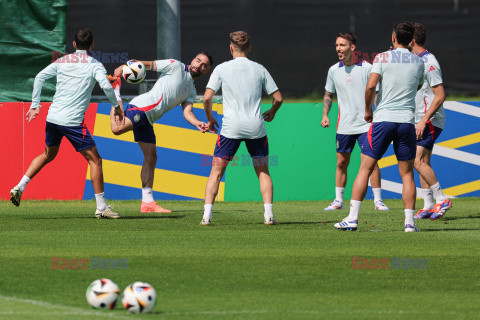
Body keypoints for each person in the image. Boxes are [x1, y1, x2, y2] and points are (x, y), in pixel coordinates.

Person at [10, 28, 123, 219]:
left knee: (48, 154)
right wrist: (116, 106)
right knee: (95, 160)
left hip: (53, 118)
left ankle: (19, 186)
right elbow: (105, 86)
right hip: (72, 122)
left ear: (74, 45)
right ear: (92, 45)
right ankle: (102, 208)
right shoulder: (95, 64)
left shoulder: (62, 61)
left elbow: (39, 77)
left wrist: (35, 105)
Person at [334, 22, 425, 232]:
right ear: (411, 40)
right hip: (406, 122)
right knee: (408, 174)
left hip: (383, 120)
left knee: (365, 168)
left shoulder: (382, 57)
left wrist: (368, 110)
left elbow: (371, 85)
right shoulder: (418, 62)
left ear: (394, 38)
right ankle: (409, 223)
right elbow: (419, 85)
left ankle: (352, 218)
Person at [111, 53, 213, 213]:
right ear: (193, 59)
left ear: (206, 71)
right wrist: (122, 67)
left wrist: (198, 123)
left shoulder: (191, 90)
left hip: (149, 118)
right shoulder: (175, 65)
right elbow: (147, 64)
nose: (199, 65)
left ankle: (147, 203)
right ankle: (114, 91)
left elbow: (187, 113)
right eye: (198, 61)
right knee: (117, 128)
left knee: (151, 157)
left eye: (203, 65)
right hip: (143, 108)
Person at [200, 31, 283, 226]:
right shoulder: (259, 69)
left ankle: (206, 217)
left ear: (231, 48)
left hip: (230, 129)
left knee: (216, 172)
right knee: (263, 172)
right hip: (256, 128)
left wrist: (210, 119)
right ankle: (269, 216)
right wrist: (272, 111)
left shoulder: (221, 69)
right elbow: (278, 98)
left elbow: (206, 98)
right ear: (250, 48)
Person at [322, 32, 388, 211]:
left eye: (342, 45)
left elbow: (375, 93)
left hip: (366, 124)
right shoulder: (333, 70)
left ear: (352, 47)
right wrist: (325, 115)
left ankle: (378, 200)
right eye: (336, 45)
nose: (338, 49)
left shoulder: (367, 68)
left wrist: (378, 114)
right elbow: (329, 94)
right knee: (341, 163)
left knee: (370, 162)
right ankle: (338, 201)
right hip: (344, 125)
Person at [410, 22, 451, 220]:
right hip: (420, 119)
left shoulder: (429, 61)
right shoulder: (416, 60)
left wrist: (424, 120)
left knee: (415, 160)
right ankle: (428, 205)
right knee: (424, 161)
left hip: (430, 120)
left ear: (412, 40)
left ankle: (442, 199)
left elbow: (440, 95)